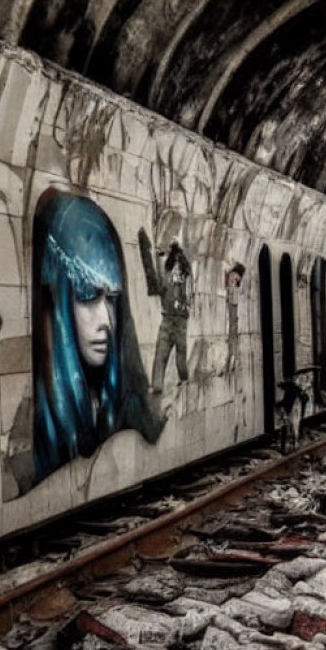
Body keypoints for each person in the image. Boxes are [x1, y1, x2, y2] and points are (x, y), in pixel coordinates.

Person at [31, 191, 162, 491]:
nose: (106, 321)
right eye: (88, 296)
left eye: (112, 300)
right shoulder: (42, 429)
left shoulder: (120, 406)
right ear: (58, 301)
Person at [138, 231, 192, 393]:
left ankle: (183, 378)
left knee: (178, 354)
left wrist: (183, 303)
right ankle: (158, 385)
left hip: (178, 318)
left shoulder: (182, 270)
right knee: (163, 351)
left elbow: (186, 291)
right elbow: (162, 287)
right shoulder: (168, 269)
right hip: (170, 317)